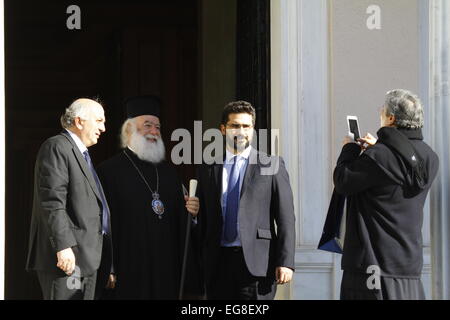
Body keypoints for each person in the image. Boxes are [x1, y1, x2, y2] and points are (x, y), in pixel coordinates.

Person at [334, 89, 439, 300]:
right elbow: (398, 165)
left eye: (382, 110)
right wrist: (380, 148)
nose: (379, 113)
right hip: (408, 268)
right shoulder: (429, 157)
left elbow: (343, 180)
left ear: (391, 118)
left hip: (371, 267)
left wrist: (350, 149)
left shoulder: (379, 157)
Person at [96, 95, 200, 299]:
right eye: (148, 125)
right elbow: (100, 226)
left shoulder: (170, 174)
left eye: (158, 127)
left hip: (165, 273)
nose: (154, 132)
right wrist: (108, 266)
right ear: (129, 130)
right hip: (127, 272)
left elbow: (182, 225)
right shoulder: (107, 172)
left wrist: (192, 214)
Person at [196, 100, 296, 300]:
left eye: (246, 126)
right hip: (218, 265)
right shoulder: (207, 168)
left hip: (257, 265)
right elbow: (203, 219)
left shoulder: (271, 165)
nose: (241, 131)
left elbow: (285, 217)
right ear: (223, 129)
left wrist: (286, 261)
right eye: (235, 126)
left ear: (253, 130)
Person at [26, 98, 115, 300]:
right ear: (80, 121)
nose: (103, 128)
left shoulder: (82, 154)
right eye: (99, 120)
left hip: (87, 259)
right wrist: (63, 246)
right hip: (69, 259)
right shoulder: (57, 147)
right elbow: (52, 202)